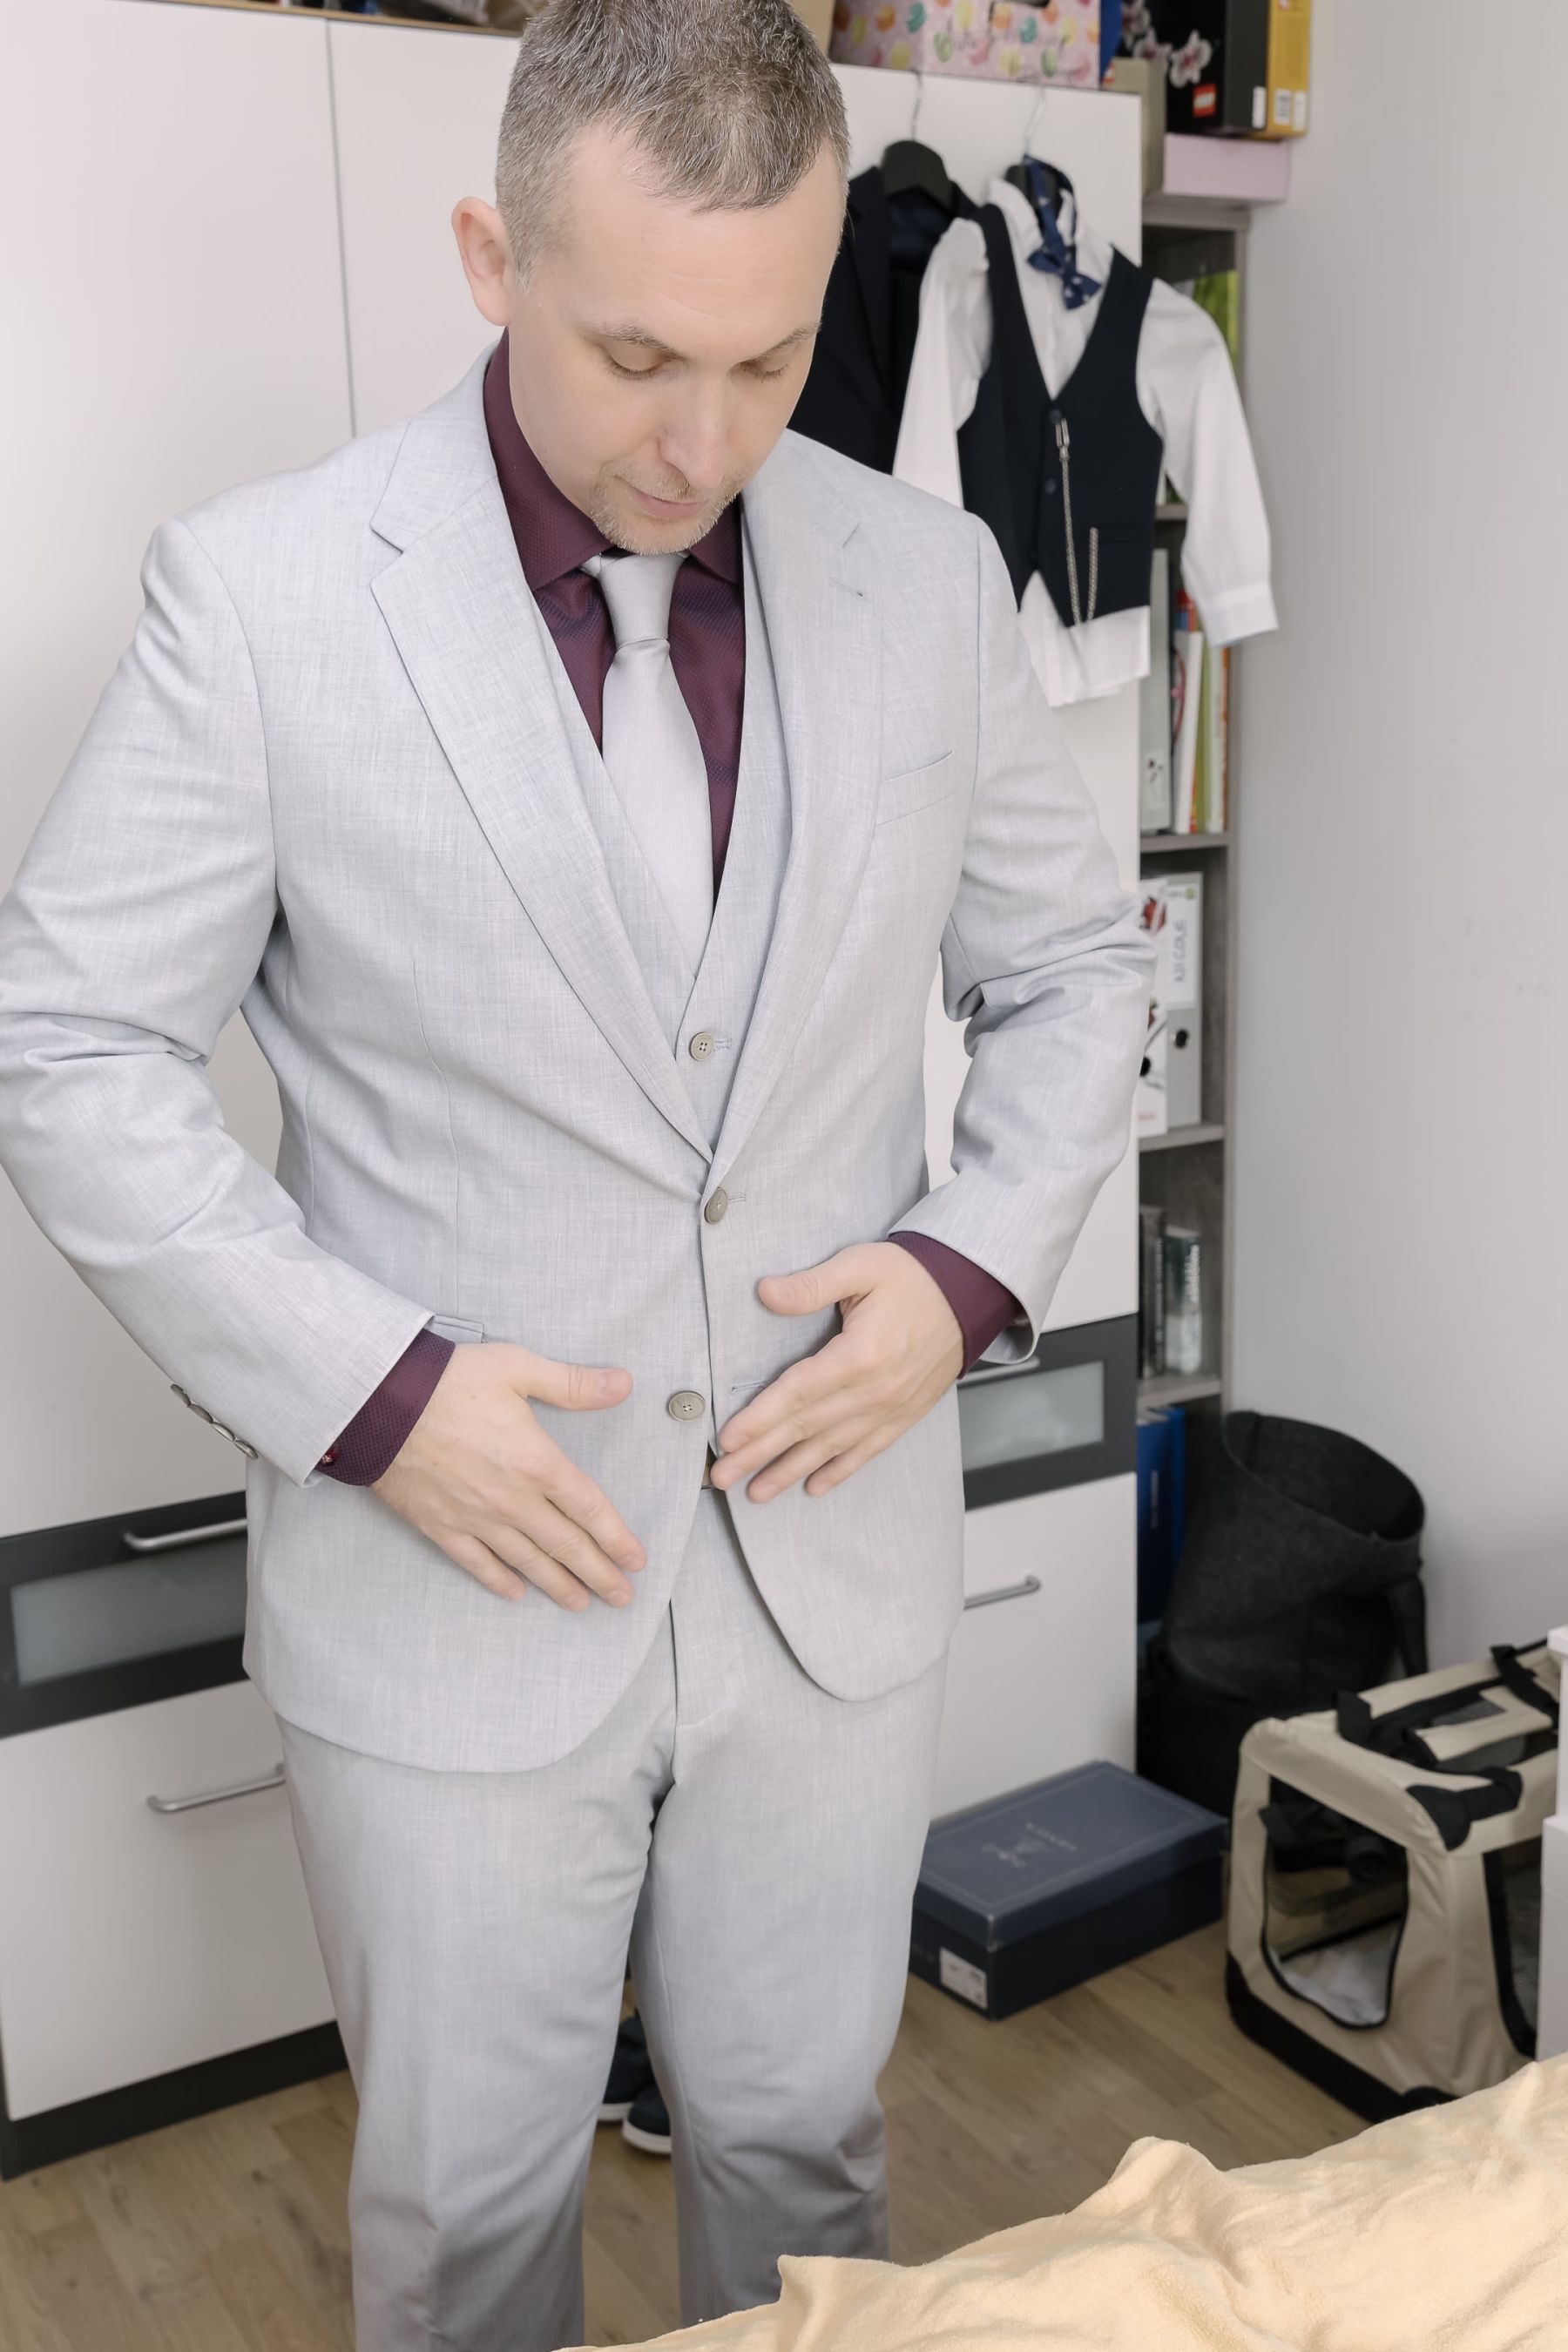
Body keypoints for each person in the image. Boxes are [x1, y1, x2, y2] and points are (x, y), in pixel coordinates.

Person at [0, 3, 1154, 2346]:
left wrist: (962, 1269)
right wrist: (378, 1395)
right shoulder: (264, 595)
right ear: (490, 257)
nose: (702, 442)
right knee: (460, 2221)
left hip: (828, 1571)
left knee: (810, 2155)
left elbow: (1071, 972)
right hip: (448, 1579)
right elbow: (68, 1042)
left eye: (770, 360)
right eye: (636, 355)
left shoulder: (929, 579)